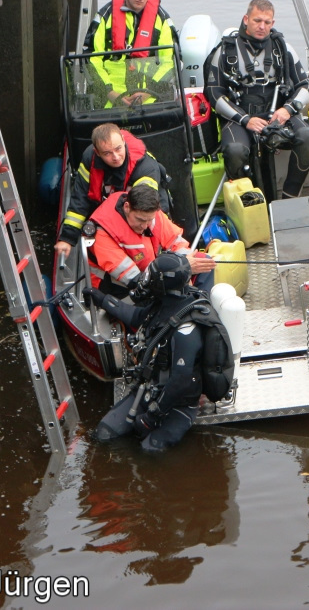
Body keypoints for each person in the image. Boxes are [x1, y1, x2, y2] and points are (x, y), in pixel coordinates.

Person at [86, 253, 206, 452]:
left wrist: (151, 417)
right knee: (103, 435)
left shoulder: (187, 329)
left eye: (151, 277)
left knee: (150, 450)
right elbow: (137, 316)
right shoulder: (164, 304)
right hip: (150, 389)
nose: (146, 281)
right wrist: (103, 300)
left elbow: (180, 383)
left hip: (179, 404)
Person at [203, 0, 309, 199]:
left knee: (307, 137)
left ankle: (289, 197)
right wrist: (245, 120)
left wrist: (287, 110)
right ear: (246, 19)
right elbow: (214, 94)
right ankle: (249, 203)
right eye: (257, 20)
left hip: (278, 114)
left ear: (272, 24)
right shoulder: (225, 51)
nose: (261, 26)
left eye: (267, 22)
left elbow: (304, 86)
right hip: (241, 117)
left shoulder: (283, 49)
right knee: (235, 151)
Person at [54, 123, 170, 261]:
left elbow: (143, 211)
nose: (115, 157)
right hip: (119, 211)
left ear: (123, 140)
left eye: (118, 149)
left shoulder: (146, 168)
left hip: (144, 215)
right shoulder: (89, 159)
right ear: (97, 152)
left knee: (145, 256)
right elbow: (80, 199)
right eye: (107, 153)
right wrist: (67, 238)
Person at [87, 185, 215, 297]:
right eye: (140, 220)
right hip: (119, 289)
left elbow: (176, 242)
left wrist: (186, 261)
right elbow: (134, 279)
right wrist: (182, 269)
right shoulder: (102, 233)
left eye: (149, 220)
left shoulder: (148, 210)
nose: (145, 226)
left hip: (153, 272)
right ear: (127, 207)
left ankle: (200, 305)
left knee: (204, 261)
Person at [83, 0, 177, 107]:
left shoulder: (162, 20)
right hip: (109, 103)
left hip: (151, 101)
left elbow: (171, 61)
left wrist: (147, 93)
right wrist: (110, 93)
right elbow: (91, 58)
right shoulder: (105, 17)